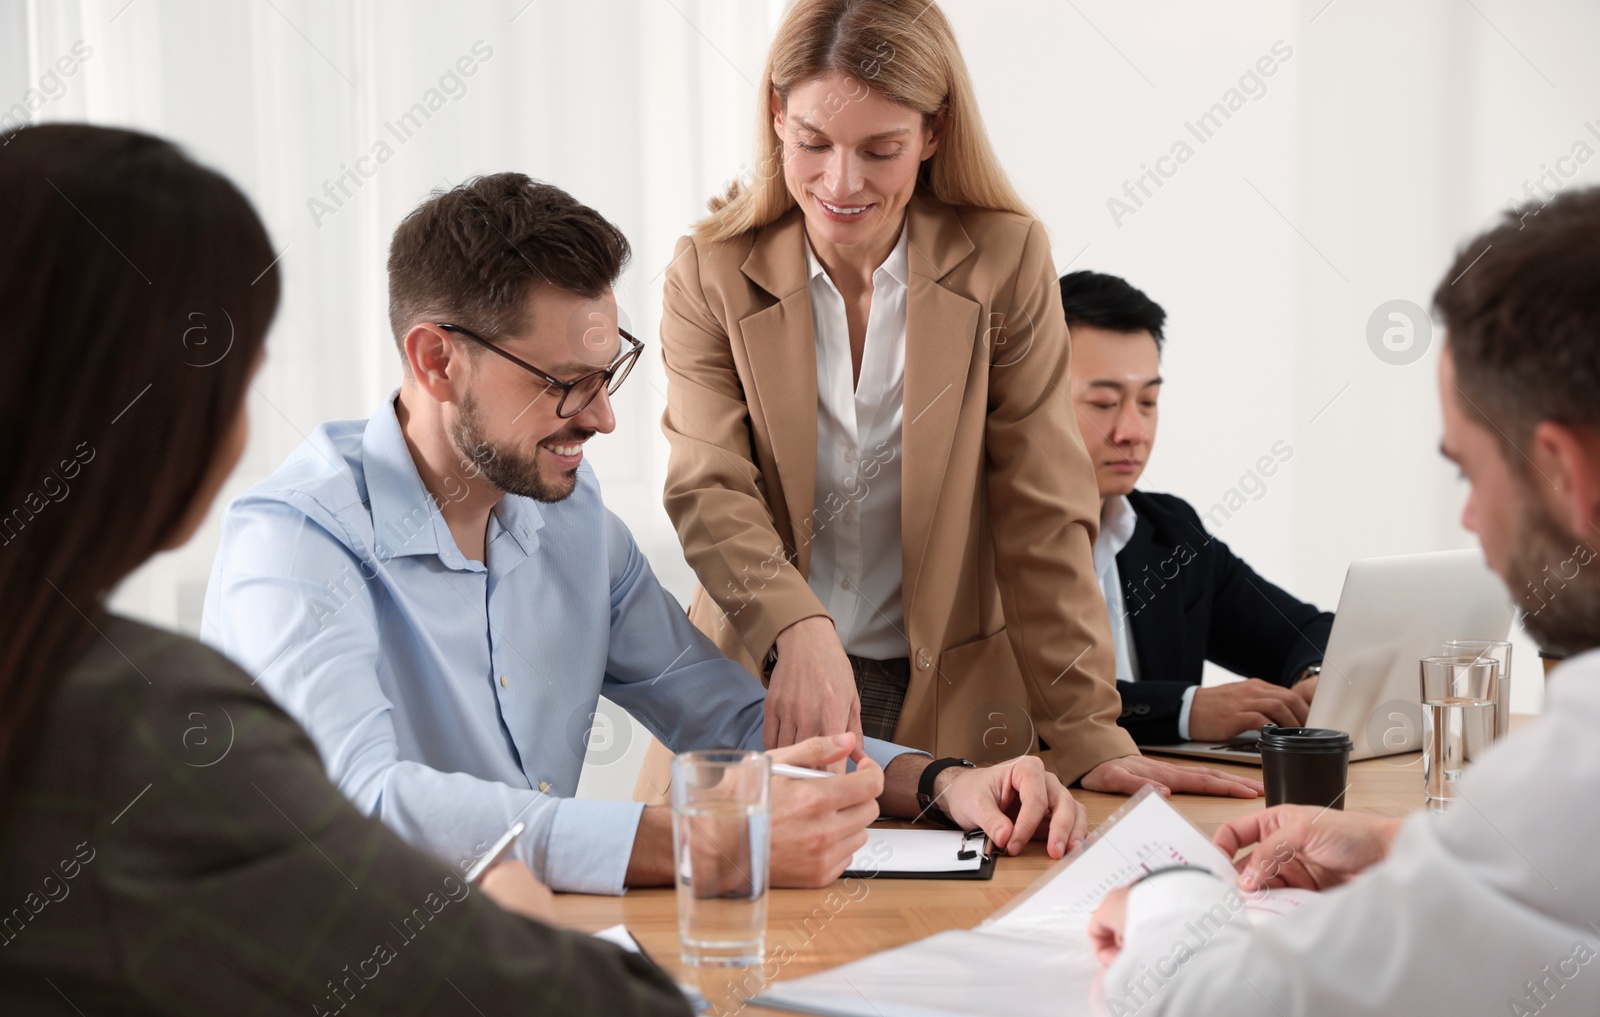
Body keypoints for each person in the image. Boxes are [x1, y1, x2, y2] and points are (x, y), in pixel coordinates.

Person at [0, 124, 696, 1017]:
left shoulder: (573, 521)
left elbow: (707, 696)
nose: (603, 415)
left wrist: (919, 776)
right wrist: (518, 899)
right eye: (233, 375)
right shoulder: (129, 722)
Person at [201, 171, 1090, 898]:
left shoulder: (575, 526)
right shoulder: (294, 547)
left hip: (523, 960)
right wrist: (711, 842)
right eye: (564, 383)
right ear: (436, 360)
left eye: (608, 372)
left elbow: (738, 718)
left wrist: (944, 782)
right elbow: (364, 804)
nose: (603, 418)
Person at [657, 0, 1260, 803]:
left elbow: (1040, 512)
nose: (841, 182)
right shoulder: (710, 271)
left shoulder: (1005, 261)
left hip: (953, 698)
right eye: (812, 143)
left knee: (950, 920)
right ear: (775, 116)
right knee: (756, 920)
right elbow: (711, 485)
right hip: (769, 678)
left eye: (881, 150)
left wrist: (1088, 731)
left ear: (934, 133)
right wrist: (795, 627)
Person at [1087, 187, 1600, 1017]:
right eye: (1103, 401)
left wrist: (1172, 889)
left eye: (1468, 471)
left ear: (1560, 466)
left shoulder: (1170, 534)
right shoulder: (966, 548)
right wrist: (1404, 840)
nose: (1472, 518)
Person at [1060, 271, 1334, 744]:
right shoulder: (980, 536)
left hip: (1168, 806)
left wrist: (1314, 675)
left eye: (1148, 401)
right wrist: (1183, 710)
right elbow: (1026, 699)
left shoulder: (1168, 533)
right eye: (1104, 402)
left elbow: (1306, 630)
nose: (1133, 430)